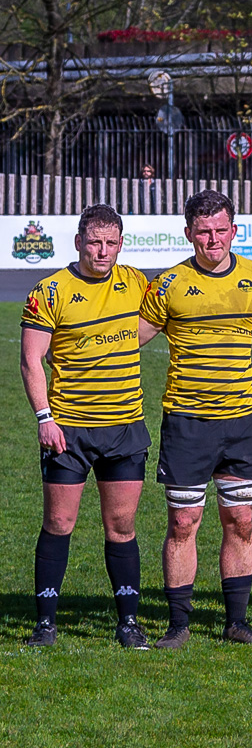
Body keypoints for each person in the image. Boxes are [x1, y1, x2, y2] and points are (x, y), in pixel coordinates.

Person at [138, 190, 252, 648]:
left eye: (221, 230)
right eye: (203, 231)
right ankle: (178, 624)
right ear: (188, 233)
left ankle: (237, 621)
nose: (213, 239)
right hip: (187, 422)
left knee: (241, 520)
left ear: (235, 231)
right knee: (183, 523)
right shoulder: (168, 284)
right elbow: (130, 337)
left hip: (241, 421)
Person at [20, 205, 151, 649]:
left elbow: (155, 322)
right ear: (78, 242)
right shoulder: (50, 290)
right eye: (95, 242)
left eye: (111, 242)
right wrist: (44, 417)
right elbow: (30, 359)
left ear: (120, 244)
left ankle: (129, 622)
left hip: (124, 427)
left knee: (122, 525)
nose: (103, 251)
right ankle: (45, 623)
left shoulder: (135, 282)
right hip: (68, 431)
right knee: (59, 521)